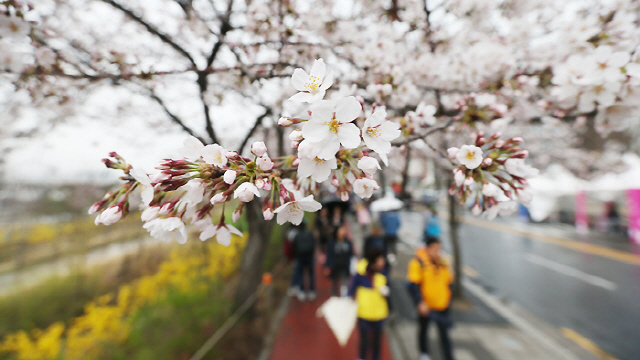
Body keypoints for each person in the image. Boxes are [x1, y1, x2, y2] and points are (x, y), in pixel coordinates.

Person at [406, 237, 455, 360]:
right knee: (423, 330)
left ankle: (448, 356)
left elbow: (449, 282)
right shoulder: (418, 263)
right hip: (426, 306)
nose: (437, 252)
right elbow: (413, 285)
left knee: (444, 334)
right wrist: (419, 302)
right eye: (434, 249)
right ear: (427, 248)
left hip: (442, 305)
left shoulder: (443, 263)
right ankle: (424, 353)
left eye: (439, 249)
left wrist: (448, 301)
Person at [348, 248, 390, 360]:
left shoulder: (384, 272)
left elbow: (387, 288)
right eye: (381, 260)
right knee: (364, 340)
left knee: (377, 341)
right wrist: (347, 300)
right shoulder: (360, 274)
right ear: (373, 262)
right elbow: (352, 288)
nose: (383, 262)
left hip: (379, 313)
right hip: (364, 312)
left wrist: (386, 292)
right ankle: (361, 357)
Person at [324, 224, 354, 296]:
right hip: (335, 266)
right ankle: (334, 297)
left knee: (345, 283)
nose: (342, 232)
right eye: (341, 230)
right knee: (334, 283)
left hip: (345, 265)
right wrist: (327, 266)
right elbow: (329, 255)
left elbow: (351, 254)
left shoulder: (348, 242)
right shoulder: (332, 243)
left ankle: (345, 297)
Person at [292, 221, 316, 301]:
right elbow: (314, 244)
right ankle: (312, 291)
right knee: (311, 274)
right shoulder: (309, 234)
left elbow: (294, 246)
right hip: (309, 256)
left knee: (301, 274)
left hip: (300, 257)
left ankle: (302, 291)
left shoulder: (297, 235)